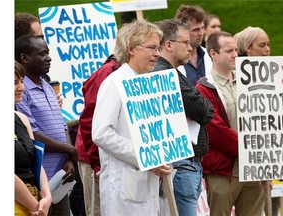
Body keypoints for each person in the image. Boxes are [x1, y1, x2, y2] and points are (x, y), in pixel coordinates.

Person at [92, 19, 171, 216]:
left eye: (158, 48)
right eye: (152, 47)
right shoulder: (114, 84)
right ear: (131, 48)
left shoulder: (150, 83)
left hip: (149, 182)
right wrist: (146, 157)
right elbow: (101, 133)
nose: (157, 54)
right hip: (124, 185)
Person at [195, 31, 265, 216]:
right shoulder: (203, 87)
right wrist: (251, 149)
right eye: (228, 51)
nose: (235, 54)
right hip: (224, 171)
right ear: (213, 54)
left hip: (253, 167)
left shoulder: (250, 81)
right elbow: (216, 130)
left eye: (235, 49)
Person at [153, 18, 214, 216]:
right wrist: (204, 105)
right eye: (185, 43)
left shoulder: (172, 72)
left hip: (189, 163)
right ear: (169, 45)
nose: (191, 48)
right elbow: (203, 110)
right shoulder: (164, 74)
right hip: (182, 163)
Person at [15, 35, 78, 216]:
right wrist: (70, 150)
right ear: (24, 58)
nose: (48, 58)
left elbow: (62, 125)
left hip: (60, 178)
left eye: (48, 53)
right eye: (42, 54)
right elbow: (31, 134)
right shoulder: (20, 91)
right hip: (38, 183)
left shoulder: (48, 86)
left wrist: (68, 155)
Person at [234, 26, 274, 216]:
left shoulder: (274, 75)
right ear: (248, 49)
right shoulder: (234, 77)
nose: (267, 49)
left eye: (268, 45)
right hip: (237, 161)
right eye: (262, 45)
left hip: (266, 157)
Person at [75, 54, 121, 216]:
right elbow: (89, 119)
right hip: (94, 158)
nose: (156, 54)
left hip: (112, 160)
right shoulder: (108, 72)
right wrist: (97, 163)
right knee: (98, 211)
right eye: (151, 47)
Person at [15, 60, 52, 216]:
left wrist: (47, 195)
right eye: (14, 83)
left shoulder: (22, 119)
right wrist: (36, 206)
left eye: (22, 81)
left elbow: (36, 162)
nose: (21, 88)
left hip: (35, 202)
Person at [175, 5, 213, 86]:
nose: (201, 33)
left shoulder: (209, 55)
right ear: (182, 30)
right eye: (196, 30)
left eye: (202, 28)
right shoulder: (173, 59)